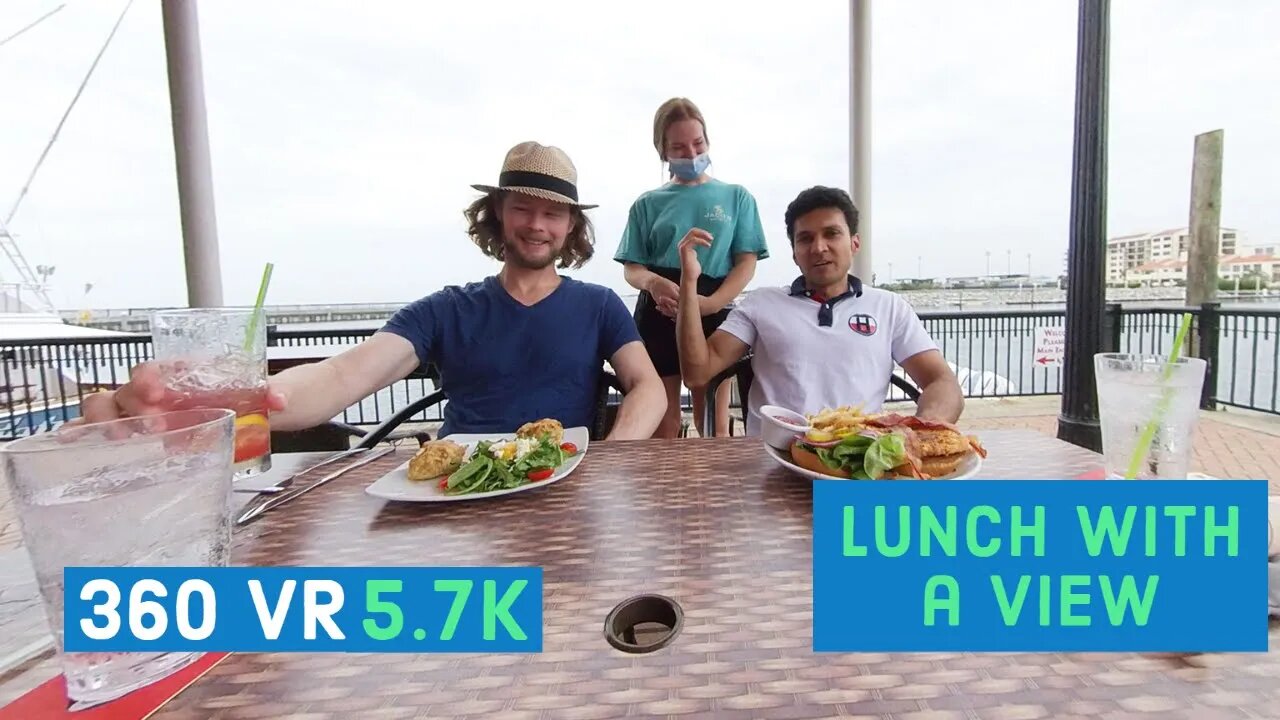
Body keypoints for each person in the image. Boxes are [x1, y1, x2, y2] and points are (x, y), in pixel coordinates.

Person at [79, 142, 668, 441]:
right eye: (522, 209)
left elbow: (648, 389)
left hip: (566, 487)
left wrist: (614, 456)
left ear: (570, 228)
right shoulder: (445, 309)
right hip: (455, 491)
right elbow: (342, 377)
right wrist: (230, 399)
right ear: (497, 215)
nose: (537, 225)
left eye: (552, 214)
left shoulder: (597, 305)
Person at [676, 185, 963, 436]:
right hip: (773, 463)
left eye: (832, 234)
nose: (819, 247)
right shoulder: (761, 304)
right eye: (805, 239)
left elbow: (942, 382)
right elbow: (698, 373)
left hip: (857, 464)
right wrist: (689, 282)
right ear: (794, 253)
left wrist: (915, 432)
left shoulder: (889, 307)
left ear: (854, 243)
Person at [614, 97, 769, 439]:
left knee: (713, 423)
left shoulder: (736, 197)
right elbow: (632, 268)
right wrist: (654, 283)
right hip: (658, 309)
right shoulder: (646, 204)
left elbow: (746, 261)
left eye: (698, 144)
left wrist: (710, 304)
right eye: (680, 148)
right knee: (663, 424)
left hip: (713, 304)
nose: (692, 154)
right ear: (663, 152)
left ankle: (714, 491)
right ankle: (665, 491)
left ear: (708, 141)